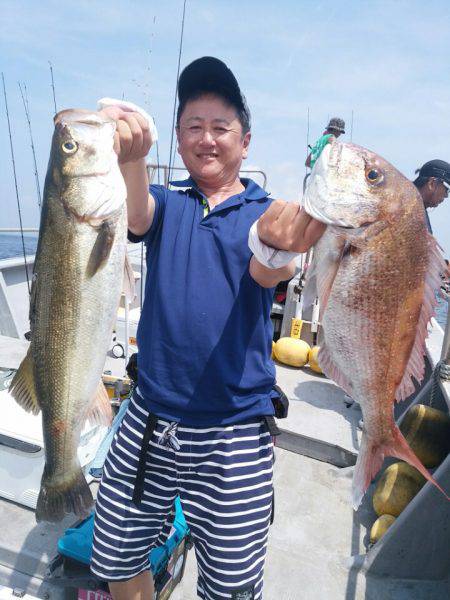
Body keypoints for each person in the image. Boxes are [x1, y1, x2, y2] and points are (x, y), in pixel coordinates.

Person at [90, 56, 326, 600]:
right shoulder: (170, 203)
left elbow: (272, 267)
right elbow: (137, 217)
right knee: (117, 556)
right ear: (177, 140)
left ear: (246, 141)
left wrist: (276, 241)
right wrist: (135, 158)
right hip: (149, 415)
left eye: (221, 127)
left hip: (234, 432)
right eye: (194, 127)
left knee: (231, 588)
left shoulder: (264, 212)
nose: (207, 138)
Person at [413, 159, 450, 233]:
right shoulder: (406, 207)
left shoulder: (419, 210)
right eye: (447, 189)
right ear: (431, 183)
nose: (447, 196)